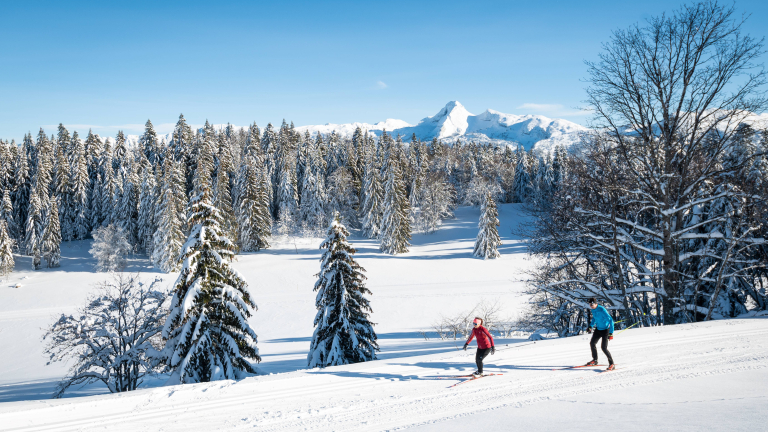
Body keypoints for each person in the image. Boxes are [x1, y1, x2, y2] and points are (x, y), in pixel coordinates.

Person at [585, 297, 615, 371]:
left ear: (596, 304)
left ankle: (612, 364)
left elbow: (610, 320)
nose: (591, 306)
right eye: (589, 304)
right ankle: (595, 360)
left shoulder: (602, 309)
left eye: (592, 304)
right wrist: (590, 326)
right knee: (592, 343)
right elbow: (594, 318)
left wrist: (611, 333)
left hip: (605, 330)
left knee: (604, 348)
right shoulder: (593, 310)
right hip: (598, 329)